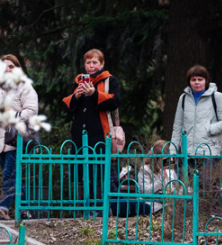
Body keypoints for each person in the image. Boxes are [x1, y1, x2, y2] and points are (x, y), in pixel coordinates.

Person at [63, 49, 121, 214]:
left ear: (102, 64)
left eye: (95, 62)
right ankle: (87, 209)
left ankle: (110, 209)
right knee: (82, 173)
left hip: (100, 134)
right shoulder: (79, 81)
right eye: (88, 62)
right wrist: (77, 96)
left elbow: (115, 101)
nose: (91, 66)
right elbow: (68, 106)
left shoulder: (110, 81)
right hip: (80, 135)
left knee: (102, 173)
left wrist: (94, 94)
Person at [170, 65, 222, 211]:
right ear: (189, 81)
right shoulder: (184, 99)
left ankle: (219, 214)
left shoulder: (216, 97)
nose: (197, 82)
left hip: (211, 151)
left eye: (200, 79)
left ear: (206, 80)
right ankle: (203, 217)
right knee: (195, 186)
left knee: (210, 185)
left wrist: (209, 129)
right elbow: (177, 126)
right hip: (190, 151)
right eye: (193, 79)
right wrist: (173, 150)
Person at [0, 54, 39, 220]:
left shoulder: (25, 87)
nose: (8, 69)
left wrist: (13, 116)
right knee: (14, 174)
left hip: (17, 137)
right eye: (5, 67)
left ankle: (3, 208)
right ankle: (24, 210)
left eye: (11, 66)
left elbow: (32, 110)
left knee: (9, 173)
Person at [110, 139, 179, 218]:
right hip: (151, 204)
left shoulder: (168, 170)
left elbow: (172, 187)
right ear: (158, 159)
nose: (169, 163)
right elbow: (145, 191)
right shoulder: (145, 170)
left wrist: (173, 190)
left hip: (165, 203)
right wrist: (160, 181)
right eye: (166, 160)